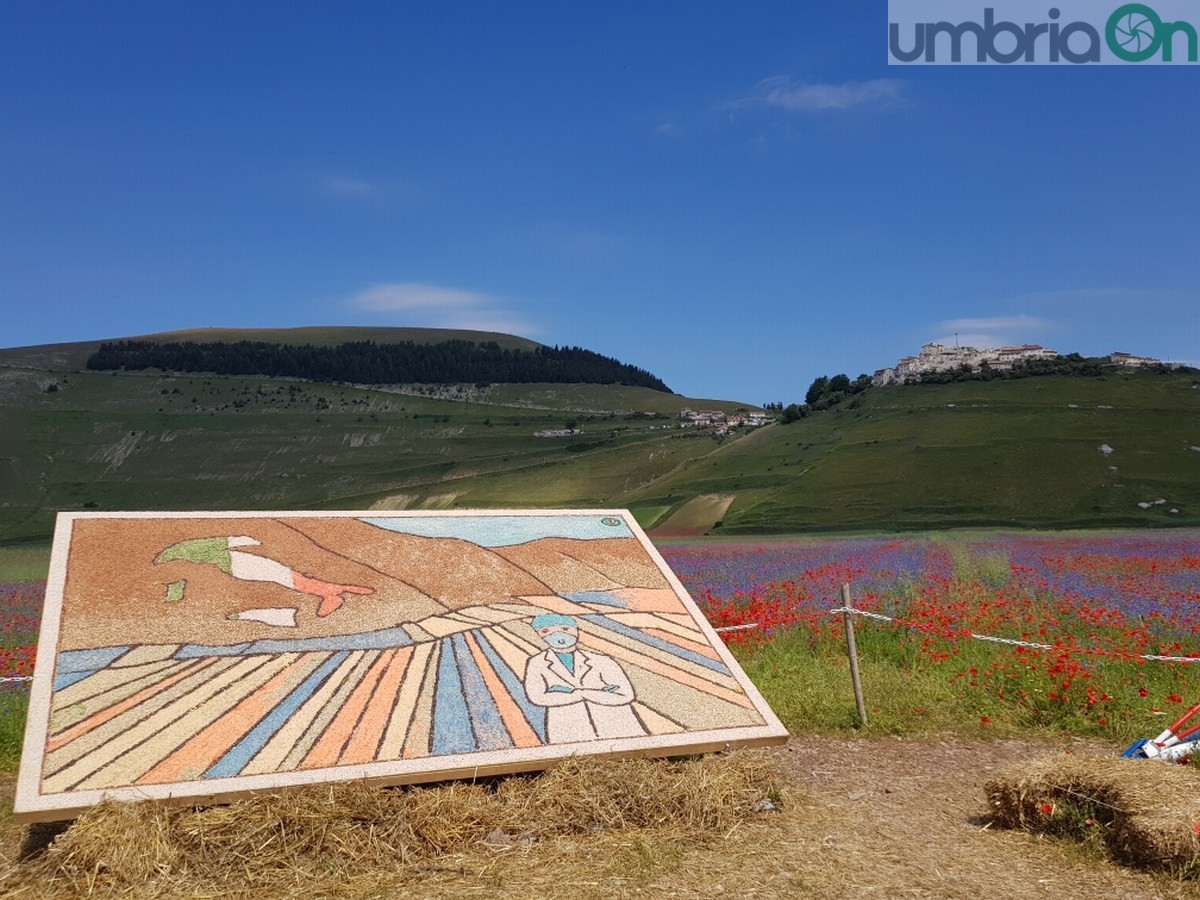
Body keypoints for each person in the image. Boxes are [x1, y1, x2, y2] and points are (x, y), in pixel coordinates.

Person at [523, 613, 647, 743]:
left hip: (617, 723)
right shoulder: (537, 662)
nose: (557, 635)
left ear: (576, 630)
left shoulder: (602, 660)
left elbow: (625, 694)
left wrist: (577, 693)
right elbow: (537, 696)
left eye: (565, 629)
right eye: (546, 631)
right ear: (539, 635)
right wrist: (597, 692)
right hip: (567, 725)